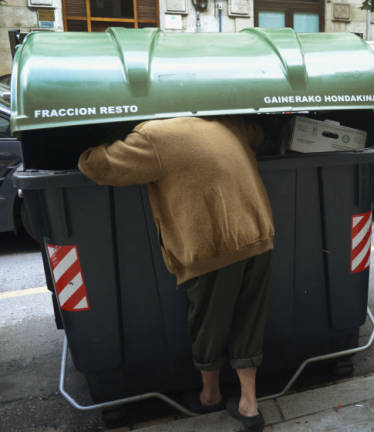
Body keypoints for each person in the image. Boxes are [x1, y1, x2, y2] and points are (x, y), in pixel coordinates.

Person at [78, 116, 275, 432]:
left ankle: (210, 395)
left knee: (208, 324)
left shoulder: (152, 137)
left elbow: (98, 166)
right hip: (258, 235)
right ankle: (249, 405)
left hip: (213, 247)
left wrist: (89, 143)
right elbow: (257, 132)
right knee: (249, 320)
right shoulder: (223, 123)